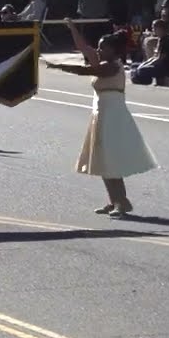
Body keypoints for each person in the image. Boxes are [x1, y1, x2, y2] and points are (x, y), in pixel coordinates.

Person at [46, 20, 157, 217]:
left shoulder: (112, 66)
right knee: (103, 158)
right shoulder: (102, 61)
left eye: (102, 47)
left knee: (111, 158)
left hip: (113, 115)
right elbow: (84, 48)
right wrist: (72, 28)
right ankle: (115, 200)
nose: (98, 50)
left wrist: (59, 66)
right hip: (101, 113)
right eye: (98, 46)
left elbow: (85, 70)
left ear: (113, 50)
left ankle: (121, 202)